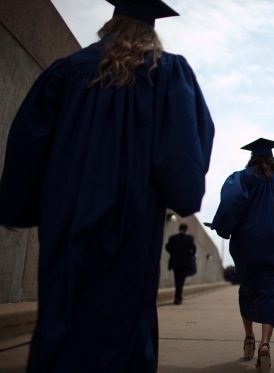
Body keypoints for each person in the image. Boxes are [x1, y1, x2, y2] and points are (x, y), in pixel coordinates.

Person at [0, 0, 214, 371]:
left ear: (110, 24)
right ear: (151, 30)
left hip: (66, 215)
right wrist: (183, 194)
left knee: (62, 310)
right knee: (124, 318)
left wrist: (23, 205)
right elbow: (183, 150)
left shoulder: (66, 72)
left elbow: (27, 146)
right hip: (133, 216)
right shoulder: (168, 73)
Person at [210, 138, 274, 373]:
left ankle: (249, 337)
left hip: (247, 247)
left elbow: (231, 202)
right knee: (273, 294)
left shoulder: (241, 178)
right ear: (273, 160)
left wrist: (223, 227)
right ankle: (265, 344)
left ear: (251, 158)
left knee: (248, 290)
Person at [166, 223, 197, 305]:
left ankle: (178, 296)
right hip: (184, 263)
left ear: (179, 228)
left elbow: (167, 247)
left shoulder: (172, 238)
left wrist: (173, 253)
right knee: (181, 280)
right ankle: (178, 297)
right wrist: (190, 255)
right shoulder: (189, 238)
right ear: (186, 229)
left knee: (177, 280)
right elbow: (193, 249)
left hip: (174, 262)